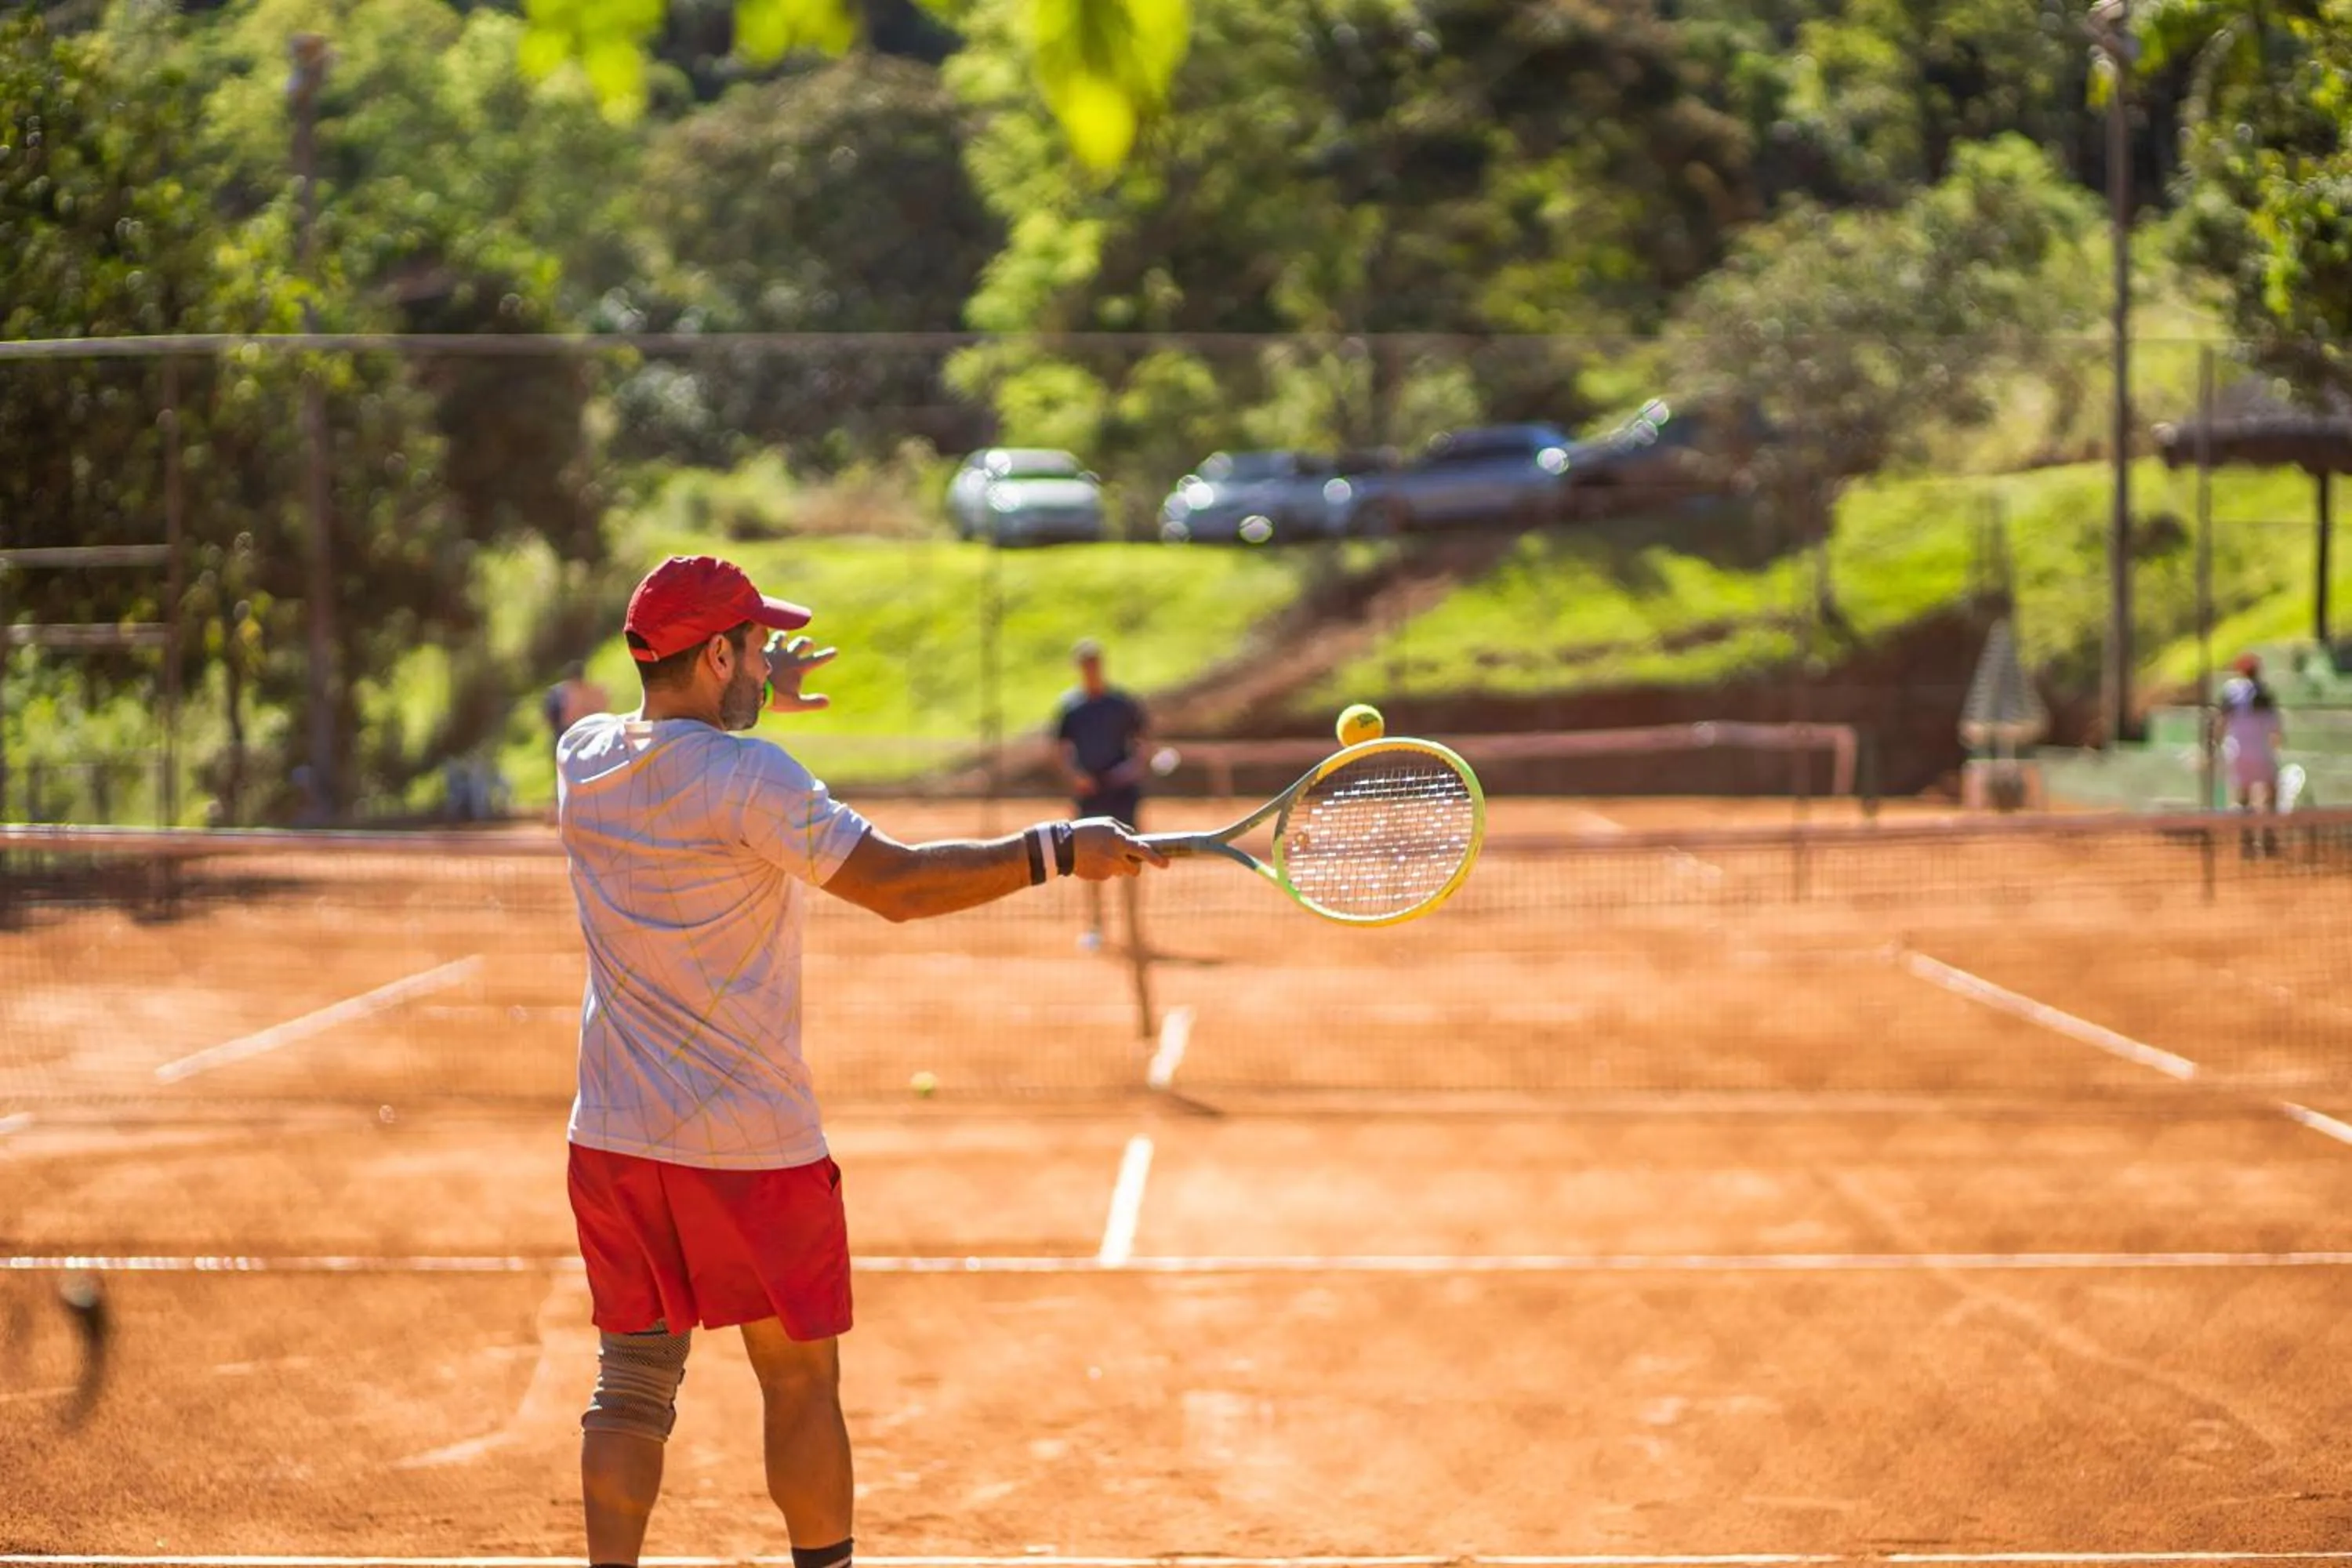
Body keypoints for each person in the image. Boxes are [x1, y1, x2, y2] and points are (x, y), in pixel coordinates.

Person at [554, 556, 1165, 1568]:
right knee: (798, 1385)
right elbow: (900, 887)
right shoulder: (756, 781)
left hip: (614, 1138)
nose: (770, 659)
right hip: (751, 1147)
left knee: (629, 1385)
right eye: (753, 647)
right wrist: (1056, 849)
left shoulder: (583, 758)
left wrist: (750, 691)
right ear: (716, 654)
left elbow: (674, 749)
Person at [1052, 637, 1150, 952]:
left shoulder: (1122, 703)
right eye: (1085, 663)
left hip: (1121, 793)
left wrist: (1130, 770)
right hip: (1090, 795)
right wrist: (1076, 777)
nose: (1090, 668)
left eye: (1094, 662)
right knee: (1087, 859)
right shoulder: (1071, 707)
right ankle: (1097, 926)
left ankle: (1133, 926)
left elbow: (1144, 745)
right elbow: (1061, 749)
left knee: (1131, 857)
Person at [2213, 652, 2285, 858]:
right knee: (2271, 794)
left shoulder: (2230, 690)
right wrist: (2276, 745)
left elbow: (2221, 720)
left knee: (2242, 797)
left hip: (2236, 750)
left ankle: (2246, 844)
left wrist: (2214, 744)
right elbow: (2276, 730)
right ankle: (2268, 840)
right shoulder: (2266, 693)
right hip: (2261, 750)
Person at [546, 662, 611, 747]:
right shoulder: (595, 690)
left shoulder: (564, 693)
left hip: (577, 732)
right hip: (587, 731)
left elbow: (566, 719)